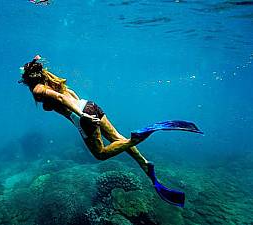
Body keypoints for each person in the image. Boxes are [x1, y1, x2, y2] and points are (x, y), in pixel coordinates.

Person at [18, 55, 203, 207]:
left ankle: (136, 139)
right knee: (116, 138)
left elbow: (59, 98)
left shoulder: (38, 89)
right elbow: (68, 95)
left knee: (101, 154)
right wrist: (85, 111)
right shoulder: (53, 81)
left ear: (27, 78)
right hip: (91, 105)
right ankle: (145, 164)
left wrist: (82, 115)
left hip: (83, 116)